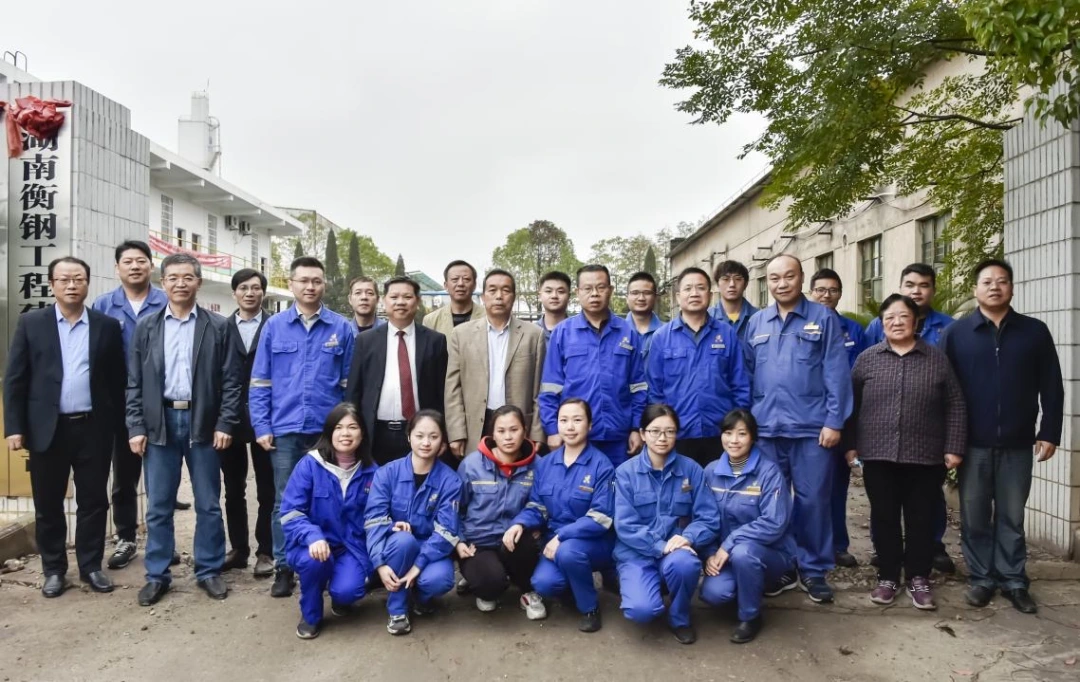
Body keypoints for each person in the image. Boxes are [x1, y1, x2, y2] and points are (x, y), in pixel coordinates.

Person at [940, 259, 1064, 615]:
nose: (995, 286)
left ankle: (1013, 580)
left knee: (1012, 515)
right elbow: (942, 390)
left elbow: (1051, 385)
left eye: (1002, 281)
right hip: (971, 444)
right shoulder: (956, 334)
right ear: (975, 289)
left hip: (1018, 442)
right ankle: (981, 578)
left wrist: (1049, 431)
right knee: (975, 516)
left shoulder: (1034, 332)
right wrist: (948, 441)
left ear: (1011, 287)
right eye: (987, 281)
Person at [4, 257, 126, 598]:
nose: (72, 285)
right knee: (48, 504)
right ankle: (54, 570)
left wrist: (120, 426)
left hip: (93, 428)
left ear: (87, 283)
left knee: (94, 502)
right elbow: (15, 379)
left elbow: (116, 380)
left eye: (78, 279)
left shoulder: (105, 326)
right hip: (47, 429)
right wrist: (14, 427)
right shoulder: (32, 323)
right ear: (52, 284)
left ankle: (90, 566)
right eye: (64, 279)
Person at [126, 254, 242, 606]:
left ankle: (208, 570)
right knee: (158, 506)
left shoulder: (218, 326)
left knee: (208, 503)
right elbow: (134, 381)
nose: (180, 283)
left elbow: (232, 381)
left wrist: (225, 422)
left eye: (188, 277)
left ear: (198, 282)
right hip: (159, 423)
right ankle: (157, 575)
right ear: (162, 283)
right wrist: (136, 425)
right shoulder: (147, 326)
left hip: (203, 423)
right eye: (173, 277)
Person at [845, 295, 966, 611]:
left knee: (920, 519)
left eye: (903, 316)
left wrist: (954, 446)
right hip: (878, 455)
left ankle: (918, 577)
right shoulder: (867, 359)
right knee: (884, 518)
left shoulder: (936, 359)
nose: (896, 322)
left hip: (925, 456)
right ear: (881, 323)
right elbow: (851, 406)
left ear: (916, 322)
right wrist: (850, 445)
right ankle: (887, 577)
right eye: (889, 317)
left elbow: (955, 404)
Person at [743, 254, 852, 604]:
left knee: (813, 501)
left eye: (788, 276)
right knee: (771, 502)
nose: (782, 283)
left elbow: (837, 372)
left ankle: (814, 568)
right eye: (774, 278)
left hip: (811, 429)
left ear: (802, 278)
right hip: (766, 430)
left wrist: (834, 421)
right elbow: (747, 375)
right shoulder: (757, 322)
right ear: (767, 283)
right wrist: (747, 427)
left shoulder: (823, 318)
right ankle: (782, 565)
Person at [249, 256, 356, 598]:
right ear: (292, 283)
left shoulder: (341, 328)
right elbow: (260, 381)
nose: (310, 287)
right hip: (285, 430)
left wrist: (347, 430)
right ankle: (284, 567)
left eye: (316, 281)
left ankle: (326, 562)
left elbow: (349, 385)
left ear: (324, 284)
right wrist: (261, 425)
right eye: (304, 280)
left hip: (327, 433)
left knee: (329, 499)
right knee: (285, 500)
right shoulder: (274, 327)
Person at [862, 262, 957, 573]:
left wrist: (953, 442)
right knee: (884, 506)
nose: (916, 291)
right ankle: (885, 558)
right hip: (881, 441)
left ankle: (929, 553)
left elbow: (955, 395)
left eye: (924, 285)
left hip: (926, 439)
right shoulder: (873, 336)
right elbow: (858, 385)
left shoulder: (947, 332)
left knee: (925, 505)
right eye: (910, 284)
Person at [91, 241, 172, 571]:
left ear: (151, 266)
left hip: (163, 401)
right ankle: (126, 537)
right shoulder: (103, 305)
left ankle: (162, 541)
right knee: (124, 476)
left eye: (141, 260)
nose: (135, 266)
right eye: (128, 261)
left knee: (162, 477)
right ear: (117, 268)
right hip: (119, 404)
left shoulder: (166, 301)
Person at [614, 404, 719, 645]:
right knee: (642, 611)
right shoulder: (625, 473)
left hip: (677, 553)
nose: (662, 438)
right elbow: (625, 525)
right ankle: (647, 588)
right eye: (655, 431)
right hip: (637, 555)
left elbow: (709, 517)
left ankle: (680, 617)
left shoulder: (692, 470)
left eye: (669, 431)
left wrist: (689, 537)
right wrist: (661, 546)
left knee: (685, 564)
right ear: (642, 434)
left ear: (677, 434)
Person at [508, 398, 616, 633]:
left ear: (589, 425)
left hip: (593, 542)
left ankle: (590, 608)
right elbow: (538, 505)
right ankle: (575, 586)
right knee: (543, 583)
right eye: (564, 420)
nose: (570, 426)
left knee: (569, 552)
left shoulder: (601, 465)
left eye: (577, 420)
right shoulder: (546, 464)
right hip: (556, 542)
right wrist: (520, 523)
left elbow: (601, 517)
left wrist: (562, 536)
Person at [280, 403, 379, 639]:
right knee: (315, 563)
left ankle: (339, 594)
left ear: (362, 433)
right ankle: (311, 615)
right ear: (329, 432)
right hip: (312, 546)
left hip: (350, 547)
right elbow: (291, 511)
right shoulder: (310, 465)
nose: (346, 433)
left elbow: (379, 514)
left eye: (353, 427)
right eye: (339, 427)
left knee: (348, 591)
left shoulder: (372, 471)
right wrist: (312, 536)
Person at [700, 409, 796, 644]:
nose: (734, 440)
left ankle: (750, 616)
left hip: (768, 554)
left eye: (742, 434)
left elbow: (774, 522)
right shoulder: (711, 471)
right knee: (713, 594)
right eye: (728, 433)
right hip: (726, 556)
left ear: (753, 437)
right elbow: (703, 517)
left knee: (744, 552)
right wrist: (710, 553)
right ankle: (747, 587)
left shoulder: (768, 472)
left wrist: (729, 544)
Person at [364, 410, 461, 636]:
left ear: (442, 442)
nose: (426, 443)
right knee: (404, 541)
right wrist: (379, 564)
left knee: (440, 580)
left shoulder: (451, 480)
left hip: (431, 548)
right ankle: (397, 610)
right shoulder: (387, 473)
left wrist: (418, 566)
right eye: (419, 436)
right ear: (409, 437)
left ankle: (419, 598)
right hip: (396, 547)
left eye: (433, 437)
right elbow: (373, 520)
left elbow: (447, 530)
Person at [539, 264, 647, 466]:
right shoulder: (563, 333)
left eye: (601, 287)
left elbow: (638, 387)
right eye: (587, 288)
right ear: (577, 292)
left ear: (611, 290)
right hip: (574, 436)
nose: (594, 294)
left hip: (619, 437)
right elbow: (550, 387)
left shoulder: (627, 332)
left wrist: (636, 428)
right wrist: (552, 429)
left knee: (616, 485)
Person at [647, 267, 750, 467]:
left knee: (720, 485)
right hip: (678, 434)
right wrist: (663, 428)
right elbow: (654, 390)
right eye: (688, 289)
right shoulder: (662, 337)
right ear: (678, 296)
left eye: (700, 288)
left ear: (710, 295)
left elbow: (740, 384)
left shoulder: (726, 334)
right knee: (681, 485)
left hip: (721, 433)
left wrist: (736, 426)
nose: (694, 293)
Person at [445, 269, 546, 464]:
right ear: (483, 297)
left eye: (505, 290)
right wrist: (456, 432)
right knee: (477, 476)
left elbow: (539, 389)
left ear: (513, 297)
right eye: (492, 290)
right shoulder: (461, 334)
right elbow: (453, 388)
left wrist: (537, 432)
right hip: (476, 425)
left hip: (517, 426)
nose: (499, 296)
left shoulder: (534, 334)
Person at [347, 277, 448, 466]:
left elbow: (442, 393)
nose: (400, 302)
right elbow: (354, 391)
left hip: (421, 434)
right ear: (384, 301)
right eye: (394, 297)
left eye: (407, 297)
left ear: (417, 301)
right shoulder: (366, 341)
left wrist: (443, 433)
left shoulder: (435, 341)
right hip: (376, 433)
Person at [455, 405, 544, 618]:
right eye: (501, 431)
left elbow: (540, 504)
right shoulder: (471, 465)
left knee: (527, 543)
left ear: (524, 431)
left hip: (514, 539)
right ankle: (481, 579)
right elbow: (455, 508)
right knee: (490, 584)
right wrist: (458, 540)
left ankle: (527, 591)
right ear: (492, 434)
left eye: (514, 430)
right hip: (478, 543)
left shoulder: (538, 465)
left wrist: (522, 523)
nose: (508, 437)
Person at [807, 267, 865, 569]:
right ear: (811, 293)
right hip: (809, 419)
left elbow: (861, 375)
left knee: (838, 487)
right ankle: (808, 546)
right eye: (820, 289)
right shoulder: (803, 326)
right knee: (809, 490)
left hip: (844, 419)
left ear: (840, 294)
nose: (826, 295)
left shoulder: (854, 331)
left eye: (833, 290)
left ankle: (838, 545)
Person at [220, 269, 275, 577]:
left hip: (267, 417)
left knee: (268, 489)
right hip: (230, 418)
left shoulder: (275, 325)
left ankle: (266, 551)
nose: (250, 293)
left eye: (256, 288)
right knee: (233, 488)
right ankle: (239, 549)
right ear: (234, 293)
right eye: (243, 288)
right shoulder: (221, 327)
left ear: (263, 293)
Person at [423, 260, 483, 334]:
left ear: (474, 285)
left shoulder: (488, 317)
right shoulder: (431, 321)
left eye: (466, 279)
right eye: (455, 279)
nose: (460, 284)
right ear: (446, 286)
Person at [708, 260, 758, 344]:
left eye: (738, 279)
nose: (732, 284)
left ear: (746, 284)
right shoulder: (706, 318)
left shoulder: (758, 318)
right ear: (717, 285)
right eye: (725, 279)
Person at [625, 271, 663, 353]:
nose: (641, 298)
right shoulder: (615, 332)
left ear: (655, 298)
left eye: (647, 293)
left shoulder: (668, 333)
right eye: (635, 293)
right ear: (627, 298)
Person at [536, 271, 572, 340]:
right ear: (539, 296)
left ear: (569, 296)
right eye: (548, 291)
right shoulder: (531, 332)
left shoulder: (579, 332)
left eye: (560, 292)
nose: (554, 296)